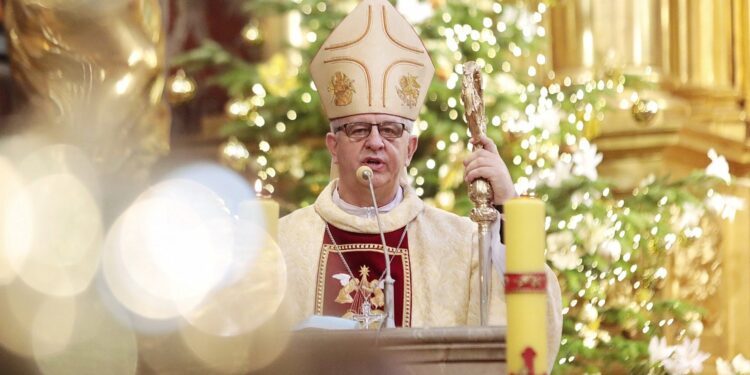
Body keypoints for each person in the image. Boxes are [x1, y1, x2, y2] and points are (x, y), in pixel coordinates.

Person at [278, 0, 562, 368]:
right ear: (334, 146)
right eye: (359, 129)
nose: (376, 142)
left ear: (409, 148)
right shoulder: (284, 244)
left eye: (391, 130)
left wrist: (508, 209)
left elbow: (536, 325)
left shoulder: (460, 244)